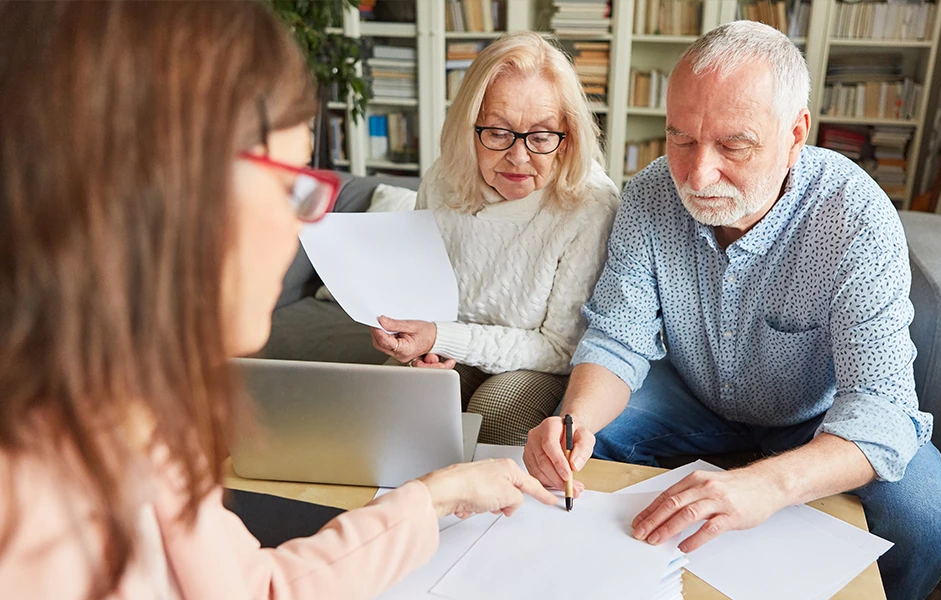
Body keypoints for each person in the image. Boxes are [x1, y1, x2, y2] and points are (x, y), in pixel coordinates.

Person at [0, 3, 558, 598]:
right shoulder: (33, 510)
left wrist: (434, 496)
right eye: (287, 183)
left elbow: (259, 587)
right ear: (159, 185)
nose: (301, 225)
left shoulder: (133, 424)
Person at [523, 21, 941, 600]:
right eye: (680, 138)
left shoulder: (856, 216)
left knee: (924, 515)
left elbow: (881, 409)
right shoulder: (650, 193)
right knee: (582, 444)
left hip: (817, 419)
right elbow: (617, 338)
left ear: (795, 134)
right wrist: (576, 419)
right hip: (687, 394)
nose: (698, 175)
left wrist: (769, 485)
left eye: (734, 145)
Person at [370, 32, 620, 446]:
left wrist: (442, 336)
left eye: (541, 136)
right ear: (469, 128)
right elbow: (422, 293)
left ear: (568, 136)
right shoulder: (443, 180)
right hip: (452, 342)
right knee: (392, 394)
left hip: (538, 362)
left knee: (496, 414)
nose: (519, 157)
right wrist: (418, 345)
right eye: (498, 133)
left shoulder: (590, 204)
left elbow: (560, 348)